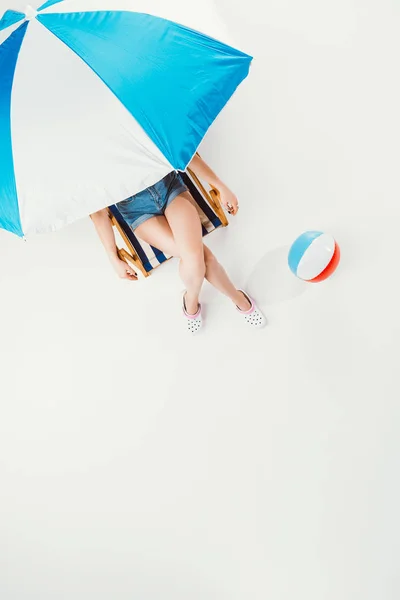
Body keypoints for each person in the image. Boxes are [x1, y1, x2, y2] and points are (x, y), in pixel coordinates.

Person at [90, 154, 266, 333]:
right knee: (197, 257)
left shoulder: (135, 127)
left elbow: (182, 152)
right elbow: (97, 212)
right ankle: (238, 299)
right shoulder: (91, 158)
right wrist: (113, 256)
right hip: (138, 213)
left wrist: (219, 186)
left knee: (194, 256)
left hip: (169, 189)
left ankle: (191, 300)